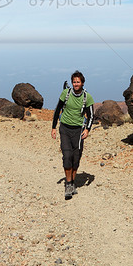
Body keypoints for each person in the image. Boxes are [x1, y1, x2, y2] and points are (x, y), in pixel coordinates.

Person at [51, 70, 94, 199]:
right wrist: (53, 127)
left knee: (76, 158)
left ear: (82, 83)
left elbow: (91, 115)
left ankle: (73, 182)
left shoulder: (87, 97)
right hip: (64, 128)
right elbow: (57, 109)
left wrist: (87, 130)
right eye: (74, 82)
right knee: (67, 155)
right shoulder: (66, 93)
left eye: (78, 82)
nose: (76, 84)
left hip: (79, 131)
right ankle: (68, 184)